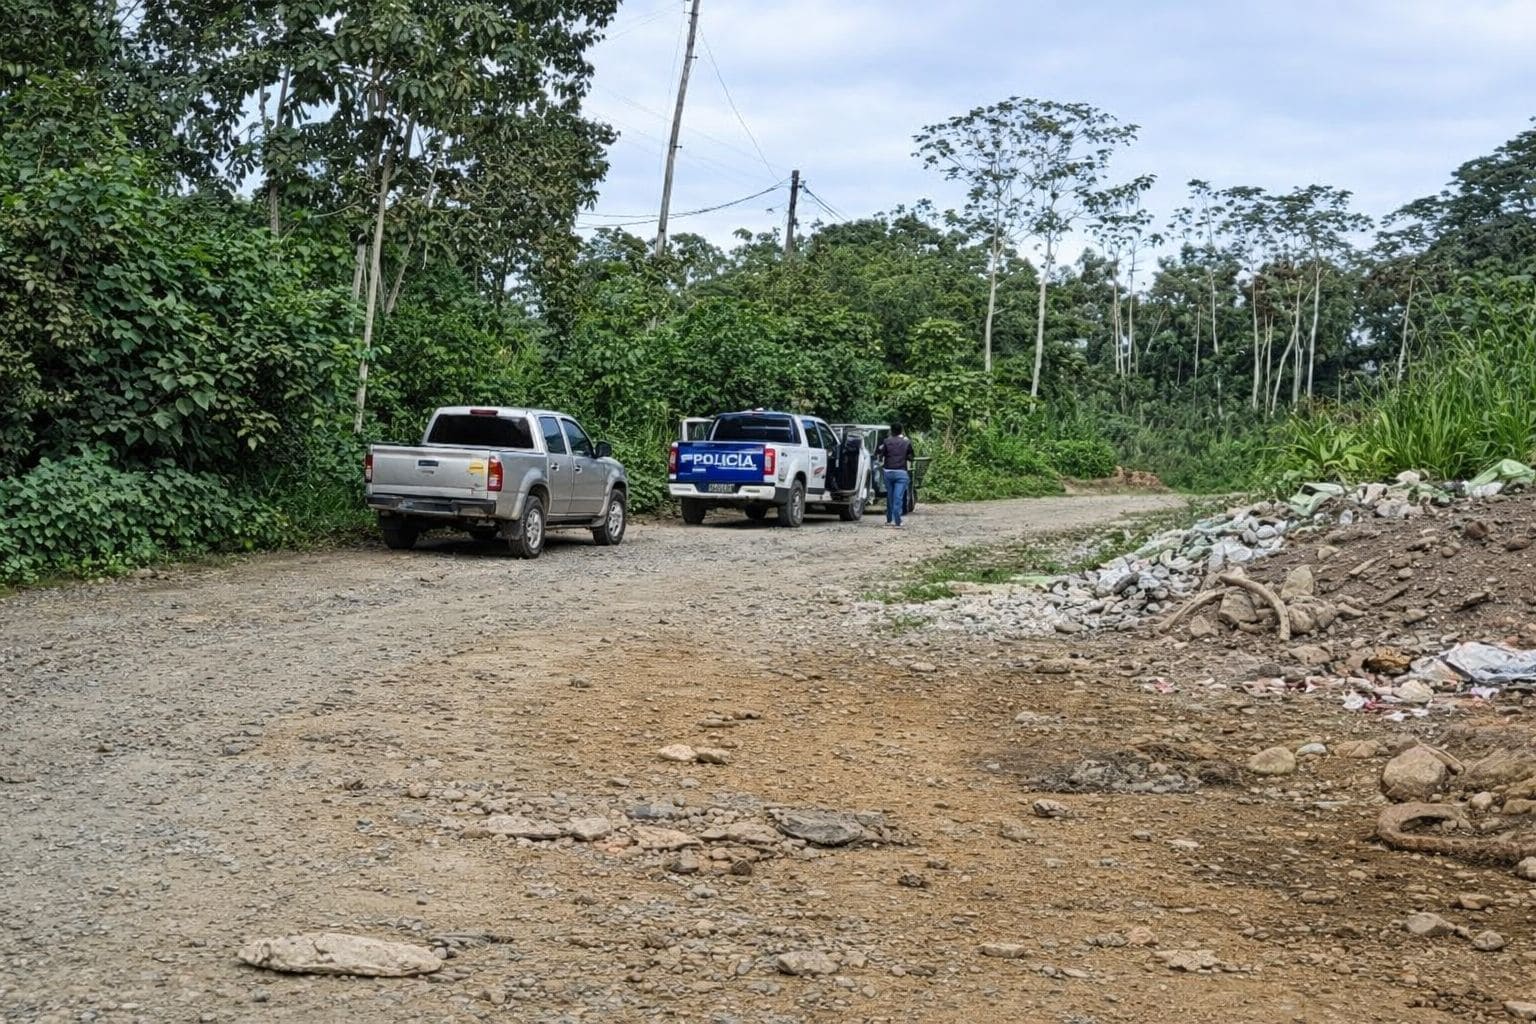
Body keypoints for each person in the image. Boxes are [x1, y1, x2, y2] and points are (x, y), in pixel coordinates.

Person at [875, 423, 913, 527]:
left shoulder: (886, 442)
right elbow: (911, 457)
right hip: (901, 472)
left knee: (890, 496)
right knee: (898, 497)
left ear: (891, 431)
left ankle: (889, 520)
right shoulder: (906, 442)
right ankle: (898, 521)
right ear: (901, 431)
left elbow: (880, 453)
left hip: (888, 473)